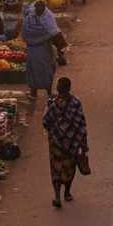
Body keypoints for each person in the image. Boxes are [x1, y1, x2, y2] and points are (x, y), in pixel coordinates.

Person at [42, 76, 88, 209]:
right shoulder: (75, 102)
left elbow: (45, 121)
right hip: (72, 142)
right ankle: (67, 192)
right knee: (69, 167)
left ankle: (57, 195)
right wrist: (83, 141)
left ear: (58, 88)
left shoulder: (52, 101)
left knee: (55, 167)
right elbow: (81, 123)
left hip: (55, 142)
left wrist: (55, 131)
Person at [21, 0, 63, 100]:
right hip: (33, 50)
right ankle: (33, 92)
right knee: (33, 69)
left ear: (45, 8)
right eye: (37, 7)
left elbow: (54, 31)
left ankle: (49, 92)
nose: (39, 9)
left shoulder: (48, 17)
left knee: (47, 69)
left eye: (41, 7)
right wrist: (42, 36)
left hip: (45, 49)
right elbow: (25, 33)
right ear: (34, 8)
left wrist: (59, 49)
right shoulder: (29, 19)